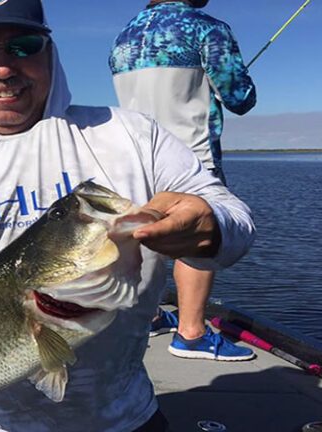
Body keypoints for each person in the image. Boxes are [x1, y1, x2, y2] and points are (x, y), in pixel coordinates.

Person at [0, 0, 255, 430]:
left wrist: (211, 225)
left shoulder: (131, 135)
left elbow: (235, 222)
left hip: (119, 415)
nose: (3, 68)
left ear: (50, 53)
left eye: (24, 46)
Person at [109, 0, 257, 361]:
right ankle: (191, 333)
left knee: (147, 232)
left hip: (136, 157)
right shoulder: (207, 28)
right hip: (190, 157)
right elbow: (239, 97)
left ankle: (152, 315)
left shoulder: (124, 35)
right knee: (194, 235)